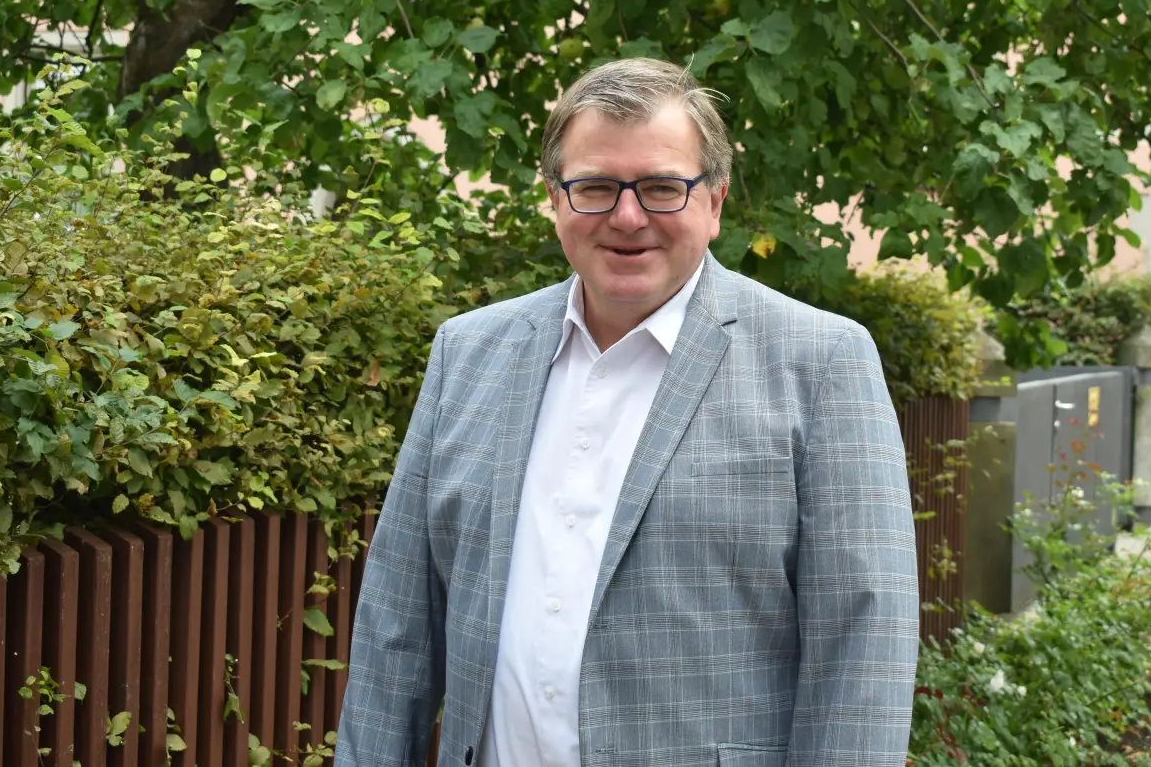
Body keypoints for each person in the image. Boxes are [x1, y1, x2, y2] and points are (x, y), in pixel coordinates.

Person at [337, 58, 919, 767]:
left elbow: (863, 649)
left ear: (716, 200)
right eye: (596, 187)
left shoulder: (821, 364)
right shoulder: (468, 354)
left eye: (662, 187)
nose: (628, 216)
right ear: (556, 198)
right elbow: (396, 624)